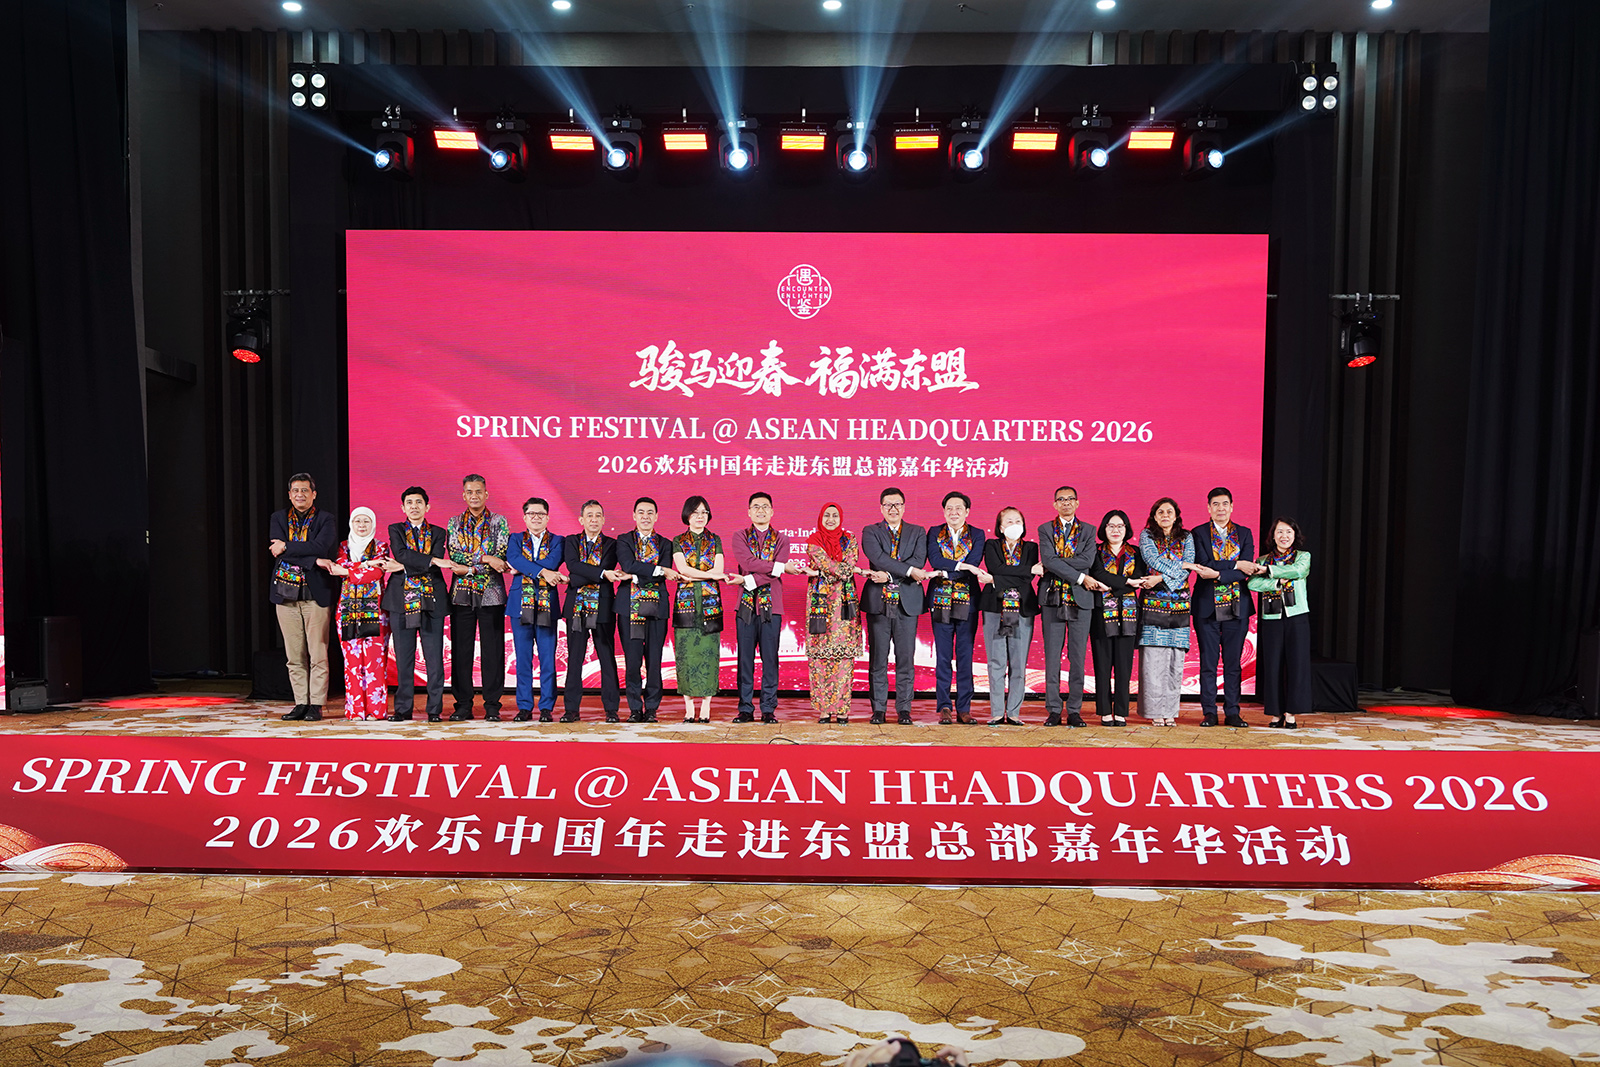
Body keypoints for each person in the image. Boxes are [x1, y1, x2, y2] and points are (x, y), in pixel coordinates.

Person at [1190, 486, 1262, 727]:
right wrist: (1236, 564)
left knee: (1233, 664)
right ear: (1208, 508)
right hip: (1206, 608)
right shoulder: (1198, 533)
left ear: (1232, 506)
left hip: (1237, 607)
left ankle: (1232, 711)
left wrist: (1220, 574)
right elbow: (1203, 566)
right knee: (1208, 664)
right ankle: (1209, 712)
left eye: (1225, 504)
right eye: (1216, 504)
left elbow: (1247, 570)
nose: (1221, 508)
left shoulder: (1244, 533)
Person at [269, 473, 338, 722]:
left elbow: (321, 547)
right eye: (295, 491)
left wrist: (287, 546)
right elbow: (278, 553)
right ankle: (300, 703)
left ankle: (316, 704)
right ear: (289, 494)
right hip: (286, 595)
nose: (300, 495)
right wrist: (313, 560)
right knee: (294, 656)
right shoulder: (278, 518)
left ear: (313, 494)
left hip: (316, 595)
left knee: (318, 653)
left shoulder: (325, 519)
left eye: (305, 491)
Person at [728, 491, 801, 724]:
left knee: (771, 659)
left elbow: (772, 571)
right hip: (746, 607)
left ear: (772, 511)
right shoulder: (739, 536)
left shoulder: (782, 539)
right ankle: (745, 708)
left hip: (773, 607)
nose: (760, 510)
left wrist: (748, 581)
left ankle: (768, 708)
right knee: (745, 659)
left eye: (765, 506)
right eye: (756, 506)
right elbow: (749, 563)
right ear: (749, 511)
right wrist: (778, 567)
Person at [382, 486, 453, 722]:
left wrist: (403, 566)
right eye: (409, 502)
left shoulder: (439, 532)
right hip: (400, 599)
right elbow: (401, 554)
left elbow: (406, 561)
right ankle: (403, 710)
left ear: (427, 507)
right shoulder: (395, 529)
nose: (414, 506)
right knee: (404, 657)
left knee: (434, 659)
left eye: (419, 502)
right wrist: (432, 560)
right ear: (403, 507)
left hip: (431, 599)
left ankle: (434, 710)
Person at [861, 487, 931, 725]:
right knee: (878, 658)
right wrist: (910, 571)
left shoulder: (918, 531)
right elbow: (878, 558)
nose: (893, 509)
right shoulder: (870, 531)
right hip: (878, 603)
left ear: (904, 506)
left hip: (907, 603)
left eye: (897, 504)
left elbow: (919, 561)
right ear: (881, 508)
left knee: (905, 658)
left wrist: (890, 577)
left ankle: (904, 709)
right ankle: (878, 709)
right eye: (888, 505)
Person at [1037, 484, 1105, 728]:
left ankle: (1075, 709)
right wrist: (1077, 575)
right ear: (1054, 504)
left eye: (1070, 499)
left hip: (1081, 599)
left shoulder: (1089, 530)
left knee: (1077, 657)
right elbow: (1047, 559)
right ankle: (1054, 709)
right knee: (1052, 658)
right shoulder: (1045, 529)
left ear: (1077, 503)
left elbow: (1087, 560)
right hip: (1052, 598)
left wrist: (1056, 563)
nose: (1066, 503)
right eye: (1061, 499)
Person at [446, 474, 510, 722]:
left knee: (492, 651)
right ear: (463, 495)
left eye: (478, 491)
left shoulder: (499, 521)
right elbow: (454, 555)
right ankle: (462, 705)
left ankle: (492, 705)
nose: (474, 495)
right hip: (461, 596)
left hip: (491, 594)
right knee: (461, 651)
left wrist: (472, 566)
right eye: (469, 491)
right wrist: (484, 559)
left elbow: (501, 557)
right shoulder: (454, 523)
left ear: (486, 494)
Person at [316, 506, 390, 721]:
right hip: (347, 611)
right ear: (351, 524)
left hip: (376, 611)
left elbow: (375, 574)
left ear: (373, 524)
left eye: (366, 521)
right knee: (352, 662)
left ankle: (376, 711)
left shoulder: (382, 546)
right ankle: (355, 710)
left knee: (376, 662)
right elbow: (338, 569)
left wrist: (351, 571)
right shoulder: (343, 547)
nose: (362, 525)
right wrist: (365, 564)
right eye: (358, 521)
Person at [1087, 509, 1155, 727]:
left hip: (1128, 614)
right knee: (1103, 664)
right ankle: (1105, 710)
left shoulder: (1136, 552)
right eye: (1110, 526)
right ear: (1103, 529)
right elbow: (1099, 575)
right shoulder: (1096, 551)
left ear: (1127, 529)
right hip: (1100, 613)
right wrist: (1126, 584)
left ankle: (1121, 711)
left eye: (1120, 526)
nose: (1115, 530)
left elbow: (1139, 578)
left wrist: (1115, 585)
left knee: (1124, 665)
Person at [560, 500, 625, 723]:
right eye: (589, 515)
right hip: (576, 607)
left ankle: (611, 710)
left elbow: (579, 572)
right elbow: (572, 566)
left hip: (603, 606)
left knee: (607, 657)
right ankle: (571, 709)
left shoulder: (611, 544)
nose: (594, 519)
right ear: (581, 520)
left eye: (598, 515)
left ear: (604, 520)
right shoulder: (571, 541)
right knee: (575, 658)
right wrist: (600, 574)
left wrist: (580, 576)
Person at [617, 496, 680, 723]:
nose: (645, 516)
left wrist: (634, 576)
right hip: (629, 608)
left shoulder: (665, 543)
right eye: (641, 512)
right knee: (632, 661)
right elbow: (628, 565)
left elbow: (658, 571)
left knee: (654, 661)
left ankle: (652, 708)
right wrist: (656, 571)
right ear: (634, 516)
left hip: (657, 609)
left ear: (656, 516)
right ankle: (635, 708)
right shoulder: (623, 540)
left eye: (650, 512)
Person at [926, 491, 986, 725]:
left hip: (967, 601)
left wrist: (949, 570)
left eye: (958, 508)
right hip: (940, 600)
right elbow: (934, 560)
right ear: (943, 512)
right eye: (949, 508)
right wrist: (961, 567)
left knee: (965, 656)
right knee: (942, 656)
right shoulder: (934, 532)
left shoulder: (978, 534)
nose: (954, 512)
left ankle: (964, 707)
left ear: (967, 512)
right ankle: (944, 706)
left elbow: (975, 562)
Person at [1249, 517, 1312, 728]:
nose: (1284, 536)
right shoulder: (1262, 559)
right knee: (1273, 665)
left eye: (1288, 532)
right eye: (1280, 532)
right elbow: (1253, 583)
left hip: (1297, 617)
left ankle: (1291, 712)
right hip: (1272, 618)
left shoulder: (1303, 557)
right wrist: (1276, 581)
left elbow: (1298, 572)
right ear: (1273, 535)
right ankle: (1275, 713)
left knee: (1297, 665)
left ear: (1295, 536)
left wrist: (1269, 572)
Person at [802, 502, 862, 725]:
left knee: (844, 660)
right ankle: (824, 711)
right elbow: (833, 566)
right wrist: (840, 570)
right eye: (826, 515)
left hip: (844, 606)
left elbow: (848, 563)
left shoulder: (850, 539)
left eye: (835, 515)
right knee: (820, 659)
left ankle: (843, 709)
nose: (830, 519)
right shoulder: (813, 540)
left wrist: (822, 570)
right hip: (821, 605)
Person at [506, 496, 564, 722]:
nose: (536, 517)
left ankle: (547, 707)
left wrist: (523, 569)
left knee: (548, 659)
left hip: (547, 604)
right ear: (524, 517)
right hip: (520, 605)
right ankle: (524, 706)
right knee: (522, 659)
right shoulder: (515, 539)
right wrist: (541, 573)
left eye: (541, 514)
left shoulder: (558, 541)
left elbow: (552, 563)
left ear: (548, 517)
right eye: (532, 514)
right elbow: (513, 559)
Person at [1138, 497, 1194, 726]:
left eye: (1169, 511)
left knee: (1175, 661)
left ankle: (1170, 711)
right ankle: (1154, 711)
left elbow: (1189, 564)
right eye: (1160, 512)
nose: (1165, 515)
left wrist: (1160, 578)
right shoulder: (1146, 536)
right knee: (1152, 662)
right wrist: (1181, 566)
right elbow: (1153, 559)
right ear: (1154, 515)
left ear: (1176, 515)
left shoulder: (1187, 537)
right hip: (1153, 605)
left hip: (1180, 607)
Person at [979, 506, 1038, 726]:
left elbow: (1026, 579)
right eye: (1009, 521)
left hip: (1023, 608)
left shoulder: (1031, 547)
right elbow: (996, 567)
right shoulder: (991, 545)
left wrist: (995, 579)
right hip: (994, 607)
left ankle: (1013, 712)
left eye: (1018, 521)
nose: (1014, 525)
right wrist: (1002, 576)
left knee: (1018, 662)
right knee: (996, 661)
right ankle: (996, 711)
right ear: (1001, 527)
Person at [672, 495, 727, 724]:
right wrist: (711, 575)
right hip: (685, 604)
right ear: (687, 515)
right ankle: (688, 707)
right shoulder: (677, 540)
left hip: (709, 604)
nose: (700, 517)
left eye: (704, 512)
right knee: (685, 655)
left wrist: (697, 575)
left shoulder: (716, 539)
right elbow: (682, 568)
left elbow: (720, 568)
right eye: (695, 513)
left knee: (708, 654)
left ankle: (706, 705)